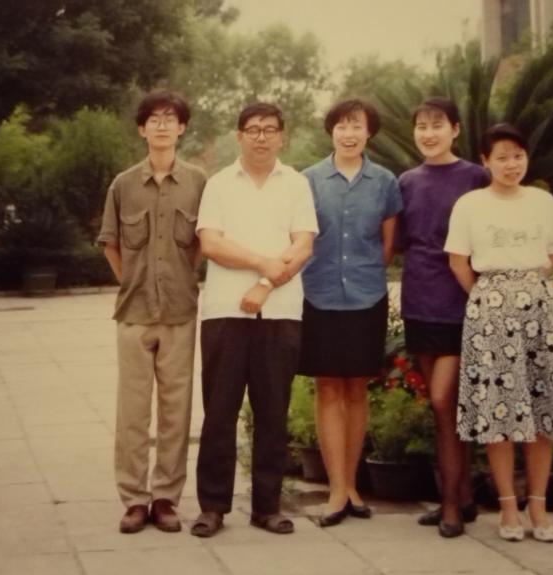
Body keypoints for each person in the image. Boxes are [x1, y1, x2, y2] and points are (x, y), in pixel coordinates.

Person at [445, 124, 553, 543]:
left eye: (518, 156)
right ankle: (508, 506)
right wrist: (491, 298)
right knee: (500, 413)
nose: (512, 164)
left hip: (540, 311)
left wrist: (526, 291)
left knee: (543, 409)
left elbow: (550, 256)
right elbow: (458, 263)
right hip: (490, 312)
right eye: (502, 157)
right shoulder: (470, 205)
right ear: (485, 161)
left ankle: (538, 506)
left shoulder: (543, 202)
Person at [191, 102, 318, 538]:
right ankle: (212, 507)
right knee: (219, 414)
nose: (261, 136)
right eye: (253, 129)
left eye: (269, 129)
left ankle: (267, 507)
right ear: (239, 136)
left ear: (282, 136)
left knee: (272, 414)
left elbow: (302, 246)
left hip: (280, 312)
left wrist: (264, 283)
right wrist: (264, 262)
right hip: (225, 312)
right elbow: (211, 243)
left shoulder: (296, 184)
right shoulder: (219, 184)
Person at [96, 90, 206, 535]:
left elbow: (203, 242)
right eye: (154, 119)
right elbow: (110, 243)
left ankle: (165, 498)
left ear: (182, 128)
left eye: (170, 119)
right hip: (135, 313)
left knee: (177, 410)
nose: (162, 126)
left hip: (180, 311)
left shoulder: (199, 182)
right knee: (133, 411)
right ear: (142, 129)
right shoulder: (123, 185)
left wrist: (182, 277)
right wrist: (132, 282)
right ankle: (134, 499)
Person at [299, 98, 401, 527]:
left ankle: (353, 485)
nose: (349, 133)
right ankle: (336, 489)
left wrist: (364, 272)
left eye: (357, 125)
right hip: (318, 294)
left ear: (369, 132)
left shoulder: (385, 182)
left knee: (357, 389)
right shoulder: (307, 180)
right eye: (341, 126)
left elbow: (388, 245)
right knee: (327, 389)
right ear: (331, 131)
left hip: (366, 296)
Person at [397, 97, 490, 537]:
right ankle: (463, 496)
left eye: (437, 125)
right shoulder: (407, 182)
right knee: (444, 411)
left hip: (460, 302)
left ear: (455, 129)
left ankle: (451, 505)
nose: (428, 133)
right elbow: (400, 240)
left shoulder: (476, 177)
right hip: (419, 300)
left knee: (442, 400)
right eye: (421, 125)